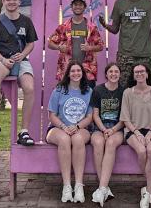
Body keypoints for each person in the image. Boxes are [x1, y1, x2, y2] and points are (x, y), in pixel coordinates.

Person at [0, 0, 39, 146]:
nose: (11, 2)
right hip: (0, 60)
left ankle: (24, 131)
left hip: (21, 60)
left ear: (19, 2)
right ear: (4, 1)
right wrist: (2, 59)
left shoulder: (26, 21)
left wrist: (22, 55)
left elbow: (30, 44)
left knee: (29, 88)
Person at [46, 62, 93, 203]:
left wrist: (77, 127)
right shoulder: (59, 90)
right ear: (68, 74)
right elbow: (52, 115)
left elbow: (90, 117)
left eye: (79, 70)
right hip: (58, 128)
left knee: (77, 139)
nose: (76, 73)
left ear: (82, 73)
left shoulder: (88, 91)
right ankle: (66, 186)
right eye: (72, 71)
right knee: (65, 139)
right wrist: (63, 127)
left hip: (81, 129)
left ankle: (79, 186)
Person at [120, 63, 151, 208]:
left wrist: (150, 133)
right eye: (136, 72)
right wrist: (137, 133)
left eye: (142, 71)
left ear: (147, 74)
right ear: (133, 75)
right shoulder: (128, 92)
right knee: (141, 150)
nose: (139, 74)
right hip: (133, 130)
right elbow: (125, 118)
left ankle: (147, 191)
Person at [48, 0, 104, 88]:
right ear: (71, 6)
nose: (78, 7)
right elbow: (50, 43)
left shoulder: (91, 27)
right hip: (67, 69)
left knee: (88, 99)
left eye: (80, 4)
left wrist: (90, 48)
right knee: (65, 98)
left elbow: (101, 46)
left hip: (87, 69)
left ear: (84, 7)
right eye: (75, 4)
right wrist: (59, 47)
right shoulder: (64, 27)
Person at [90, 63, 124, 206]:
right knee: (98, 142)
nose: (113, 74)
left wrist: (112, 130)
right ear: (106, 74)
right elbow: (95, 115)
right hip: (100, 127)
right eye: (111, 71)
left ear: (120, 74)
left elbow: (124, 118)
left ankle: (101, 188)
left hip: (117, 128)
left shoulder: (124, 92)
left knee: (110, 143)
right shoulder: (98, 90)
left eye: (116, 71)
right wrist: (104, 129)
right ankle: (103, 187)